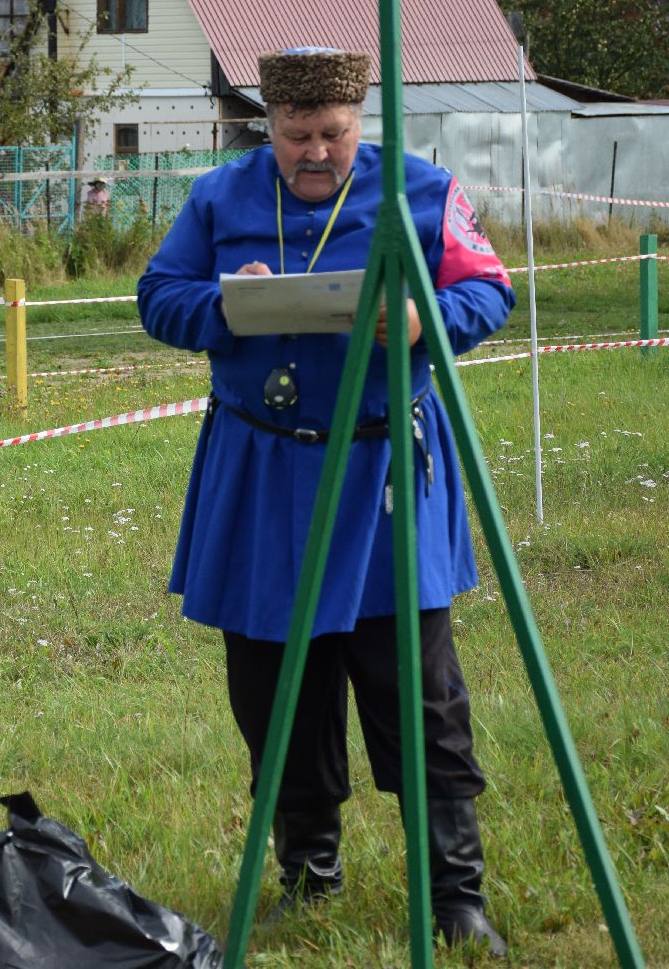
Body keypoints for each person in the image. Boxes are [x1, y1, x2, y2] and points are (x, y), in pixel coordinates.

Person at [136, 48, 513, 955]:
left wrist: (427, 320)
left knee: (415, 686)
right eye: (296, 136)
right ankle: (310, 870)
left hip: (382, 475)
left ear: (359, 123)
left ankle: (455, 893)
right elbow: (159, 297)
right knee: (275, 684)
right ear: (268, 127)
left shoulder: (421, 192)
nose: (315, 154)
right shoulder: (221, 199)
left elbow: (489, 292)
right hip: (263, 473)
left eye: (333, 136)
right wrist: (226, 307)